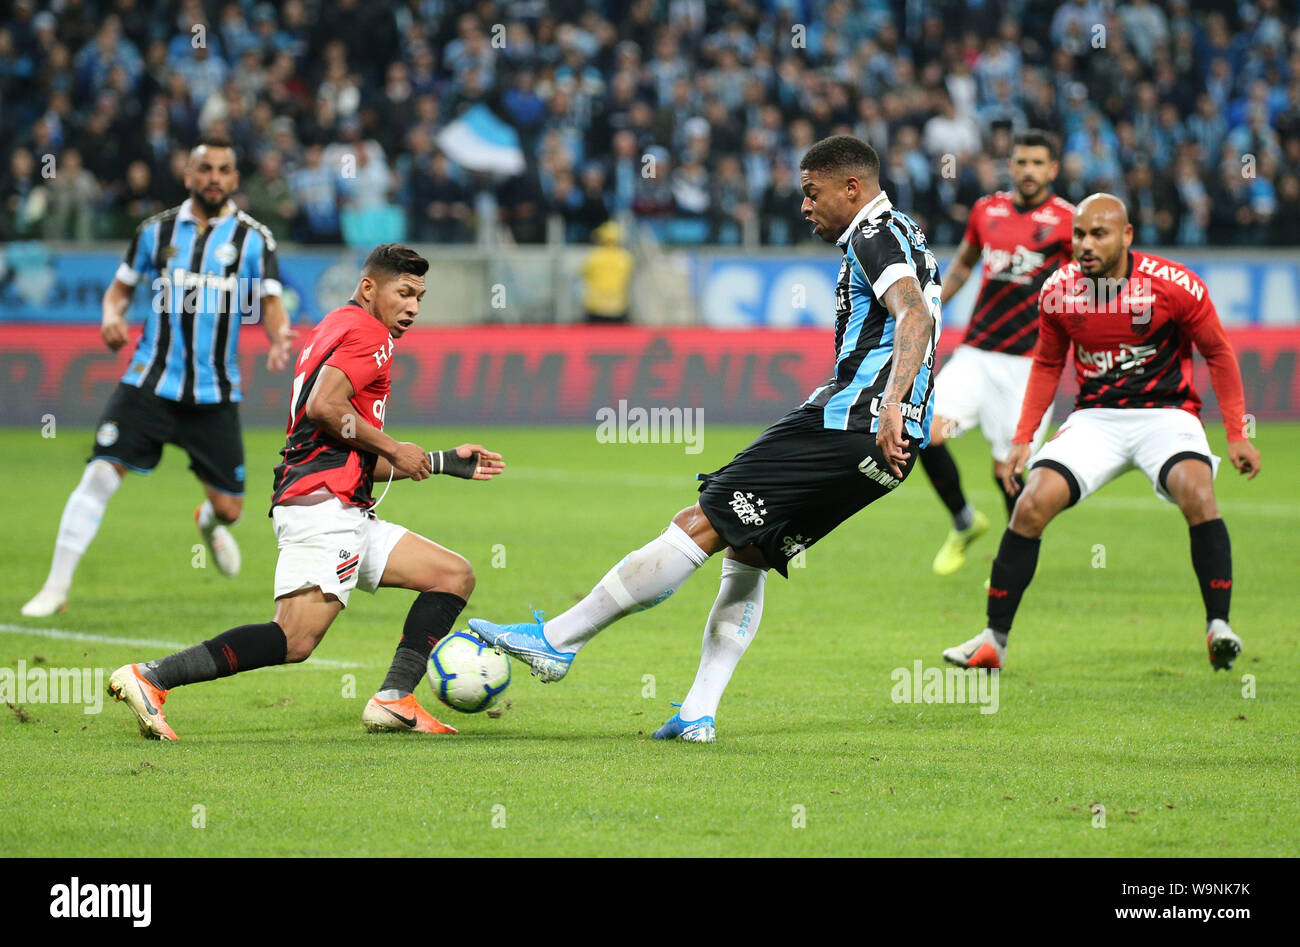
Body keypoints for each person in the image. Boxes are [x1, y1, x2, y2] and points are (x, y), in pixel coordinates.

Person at [470, 136, 942, 742]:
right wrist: (910, 409)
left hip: (848, 423)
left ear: (852, 188)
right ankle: (698, 713)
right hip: (888, 455)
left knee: (702, 517)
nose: (804, 207)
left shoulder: (876, 233)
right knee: (751, 551)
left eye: (812, 193)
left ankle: (556, 640)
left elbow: (914, 315)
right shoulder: (909, 234)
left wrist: (892, 403)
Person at [107, 244, 506, 740]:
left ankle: (394, 699)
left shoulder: (336, 326)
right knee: (294, 638)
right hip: (325, 508)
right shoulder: (369, 333)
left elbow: (350, 448)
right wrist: (396, 445)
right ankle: (152, 677)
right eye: (403, 293)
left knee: (452, 575)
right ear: (369, 288)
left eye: (420, 297)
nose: (413, 308)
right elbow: (324, 407)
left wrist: (442, 462)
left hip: (341, 503)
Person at [942, 194, 1260, 672]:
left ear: (1127, 236)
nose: (1085, 244)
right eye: (1079, 235)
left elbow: (1219, 353)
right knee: (1030, 504)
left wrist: (1237, 432)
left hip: (1166, 415)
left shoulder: (1175, 286)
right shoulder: (1058, 291)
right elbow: (1048, 363)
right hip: (1096, 419)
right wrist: (1023, 438)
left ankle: (1219, 627)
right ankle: (993, 641)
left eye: (1099, 234)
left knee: (1197, 492)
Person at [22, 136, 294, 618]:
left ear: (234, 178)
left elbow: (270, 301)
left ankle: (209, 524)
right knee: (101, 473)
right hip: (149, 382)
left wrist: (278, 338)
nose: (214, 177)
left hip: (214, 393)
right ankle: (55, 587)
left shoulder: (254, 238)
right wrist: (111, 317)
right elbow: (119, 290)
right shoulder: (155, 231)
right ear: (188, 175)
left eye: (223, 169)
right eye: (204, 168)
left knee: (231, 509)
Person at [921, 130, 1075, 576]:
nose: (1028, 170)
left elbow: (1081, 286)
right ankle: (964, 522)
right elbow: (966, 263)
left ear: (1052, 170)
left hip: (1028, 366)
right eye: (1021, 162)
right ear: (1012, 165)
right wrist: (931, 309)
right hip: (976, 355)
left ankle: (1013, 559)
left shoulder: (1068, 220)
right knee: (925, 433)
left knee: (1007, 470)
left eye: (1037, 163)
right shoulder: (987, 210)